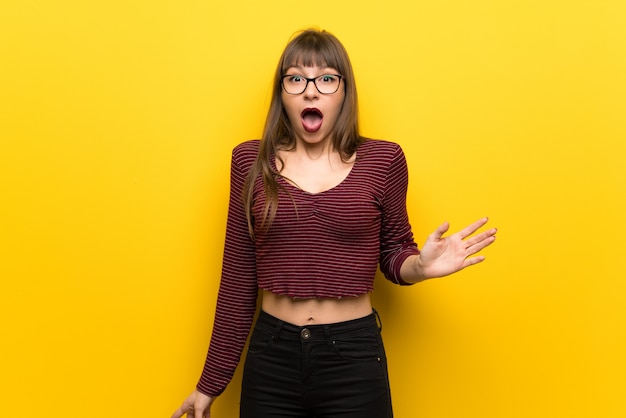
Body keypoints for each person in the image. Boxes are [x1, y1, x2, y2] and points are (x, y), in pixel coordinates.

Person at [171, 28, 497, 418]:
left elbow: (395, 255)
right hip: (271, 357)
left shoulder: (384, 161)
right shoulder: (249, 162)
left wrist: (420, 267)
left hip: (353, 357)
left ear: (344, 91)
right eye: (296, 78)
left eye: (326, 78)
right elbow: (238, 281)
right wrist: (209, 385)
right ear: (283, 93)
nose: (311, 90)